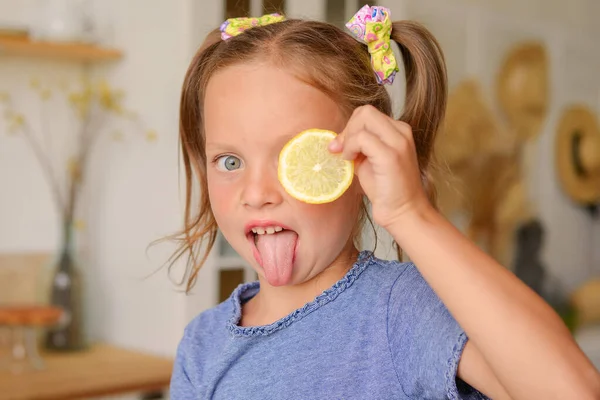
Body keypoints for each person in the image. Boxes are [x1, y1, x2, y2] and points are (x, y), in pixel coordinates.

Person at [168, 5, 600, 399]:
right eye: (229, 161)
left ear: (360, 163)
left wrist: (411, 214)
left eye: (294, 157)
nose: (257, 193)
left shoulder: (402, 312)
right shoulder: (203, 345)